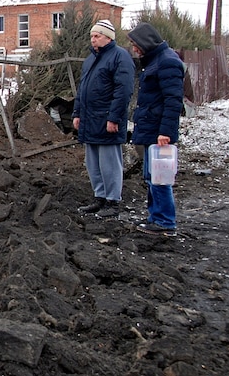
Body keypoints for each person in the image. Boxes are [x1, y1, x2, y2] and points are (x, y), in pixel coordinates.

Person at [72, 19, 135, 218]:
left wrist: (114, 118)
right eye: (92, 36)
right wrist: (77, 113)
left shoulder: (120, 57)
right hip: (89, 120)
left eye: (97, 36)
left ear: (109, 37)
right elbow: (82, 89)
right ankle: (99, 197)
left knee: (110, 162)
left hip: (107, 120)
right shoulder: (91, 60)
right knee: (92, 163)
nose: (93, 39)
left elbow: (123, 91)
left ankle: (112, 200)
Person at [127, 22, 185, 237]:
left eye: (135, 44)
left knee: (160, 177)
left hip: (159, 131)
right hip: (151, 127)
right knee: (152, 175)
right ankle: (155, 217)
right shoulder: (156, 61)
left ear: (146, 42)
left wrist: (166, 132)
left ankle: (165, 221)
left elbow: (173, 101)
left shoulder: (168, 62)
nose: (134, 48)